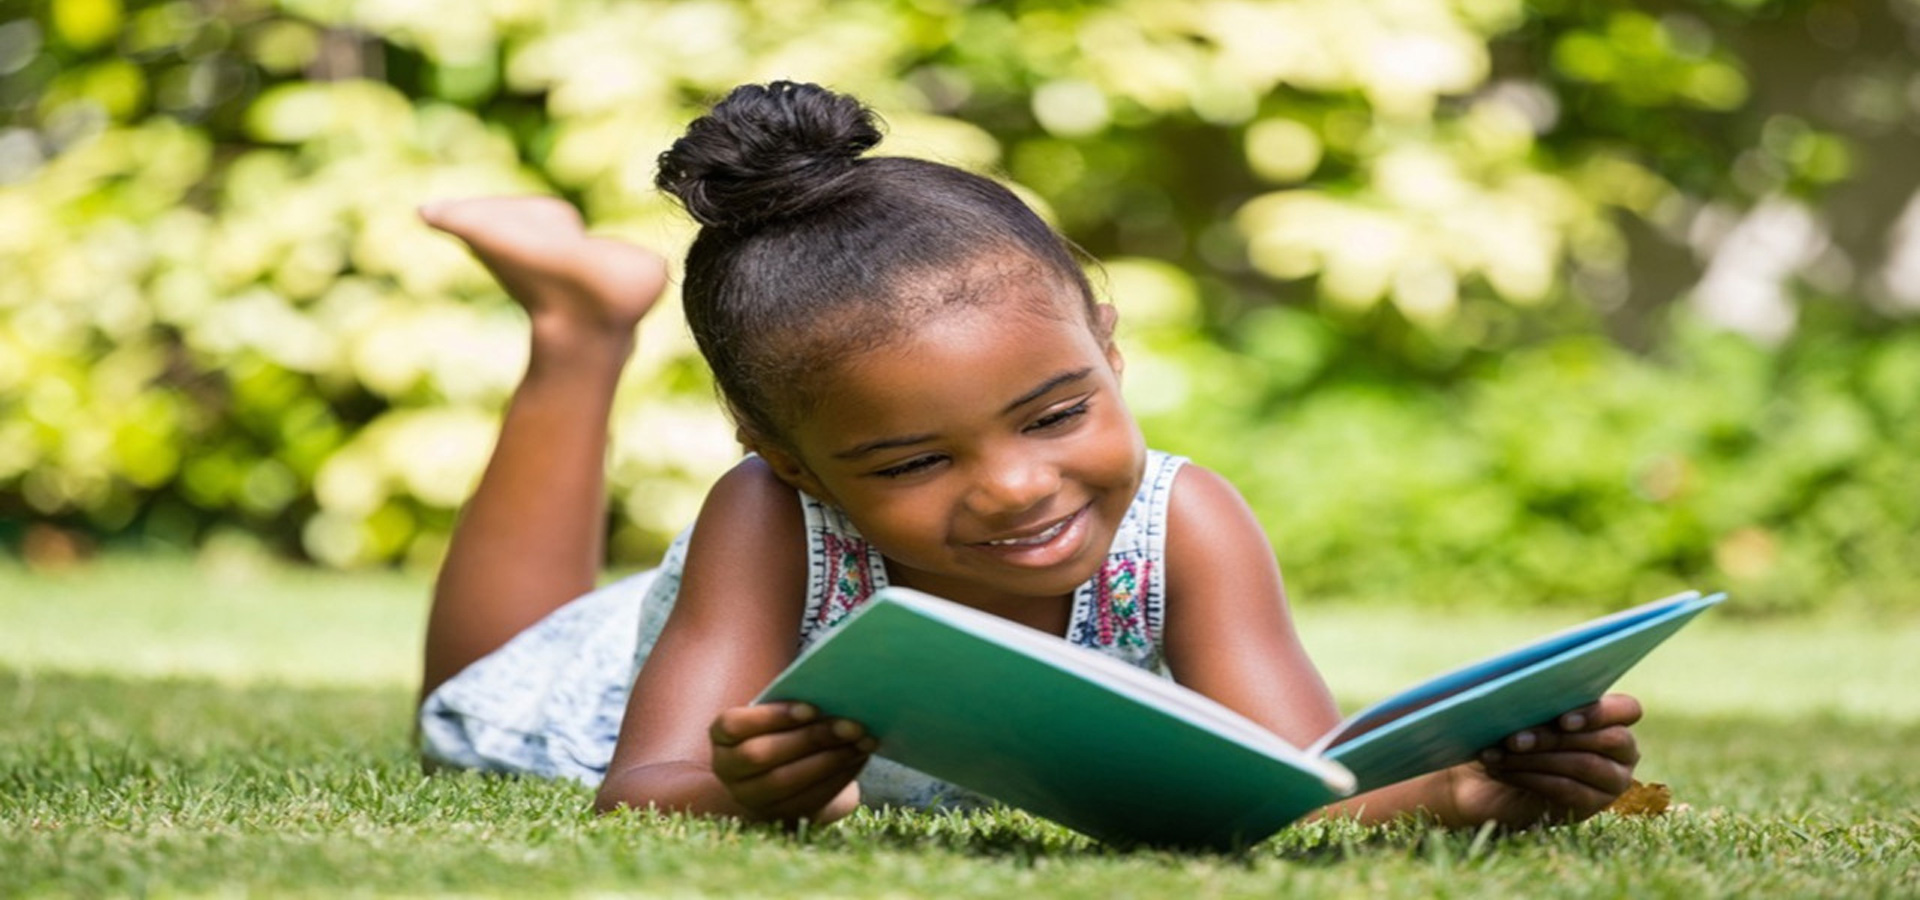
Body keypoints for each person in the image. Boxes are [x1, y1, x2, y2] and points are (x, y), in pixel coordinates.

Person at [414, 81, 1644, 832]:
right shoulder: (767, 518)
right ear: (787, 458)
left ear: (1107, 348)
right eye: (907, 462)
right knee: (467, 689)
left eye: (1056, 415)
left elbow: (1299, 789)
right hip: (601, 687)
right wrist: (748, 790)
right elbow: (644, 792)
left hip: (702, 623)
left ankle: (585, 316)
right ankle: (579, 331)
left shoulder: (1190, 523)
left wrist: (1473, 789)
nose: (1013, 486)